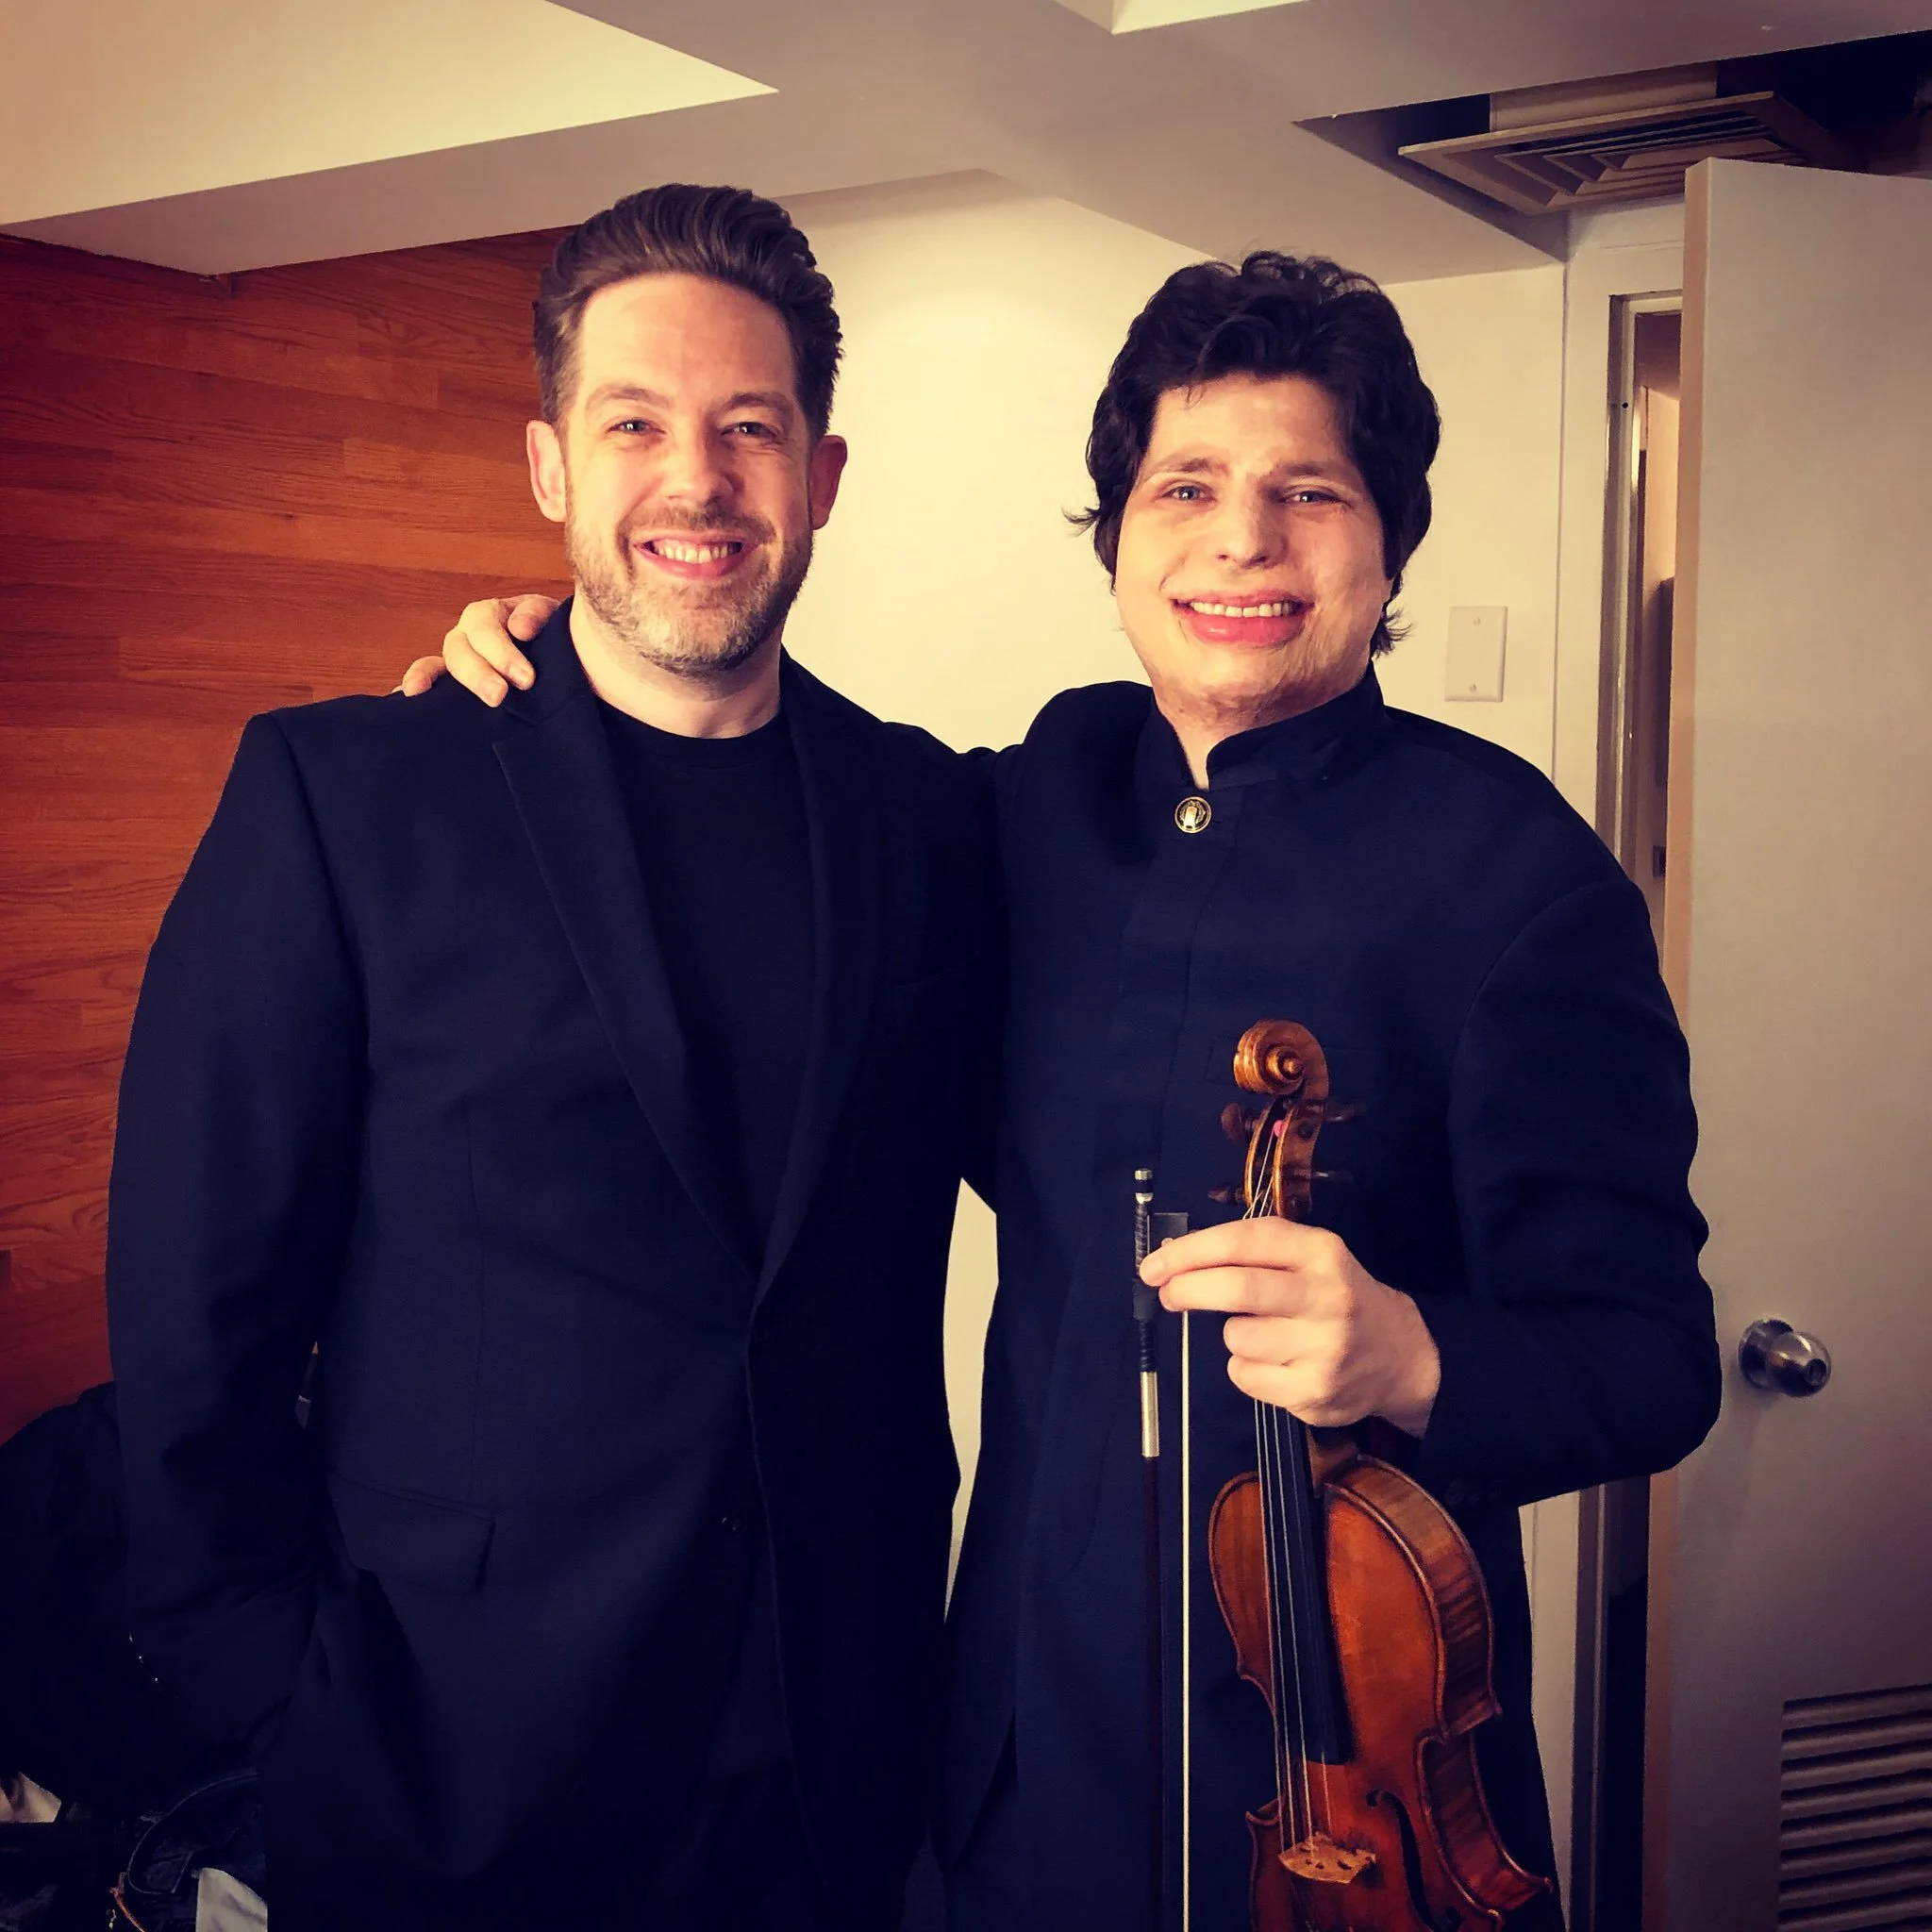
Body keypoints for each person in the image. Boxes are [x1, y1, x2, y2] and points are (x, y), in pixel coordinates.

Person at [413, 252, 1721, 1927]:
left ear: (1387, 537)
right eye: (1185, 486)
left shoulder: (1519, 878)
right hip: (1009, 1739)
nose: (1241, 539)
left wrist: (1413, 1351)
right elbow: (760, 780)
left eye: (1306, 490)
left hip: (1328, 1771)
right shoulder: (1037, 799)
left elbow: (1650, 1362)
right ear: (1116, 534)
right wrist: (550, 660)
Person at [106, 184, 997, 1931]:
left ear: (821, 476)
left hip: (834, 1750)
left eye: (751, 429)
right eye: (637, 424)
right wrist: (270, 1704)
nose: (698, 481)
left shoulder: (930, 815)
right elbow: (195, 1294)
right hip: (444, 1752)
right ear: (549, 469)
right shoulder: (348, 794)